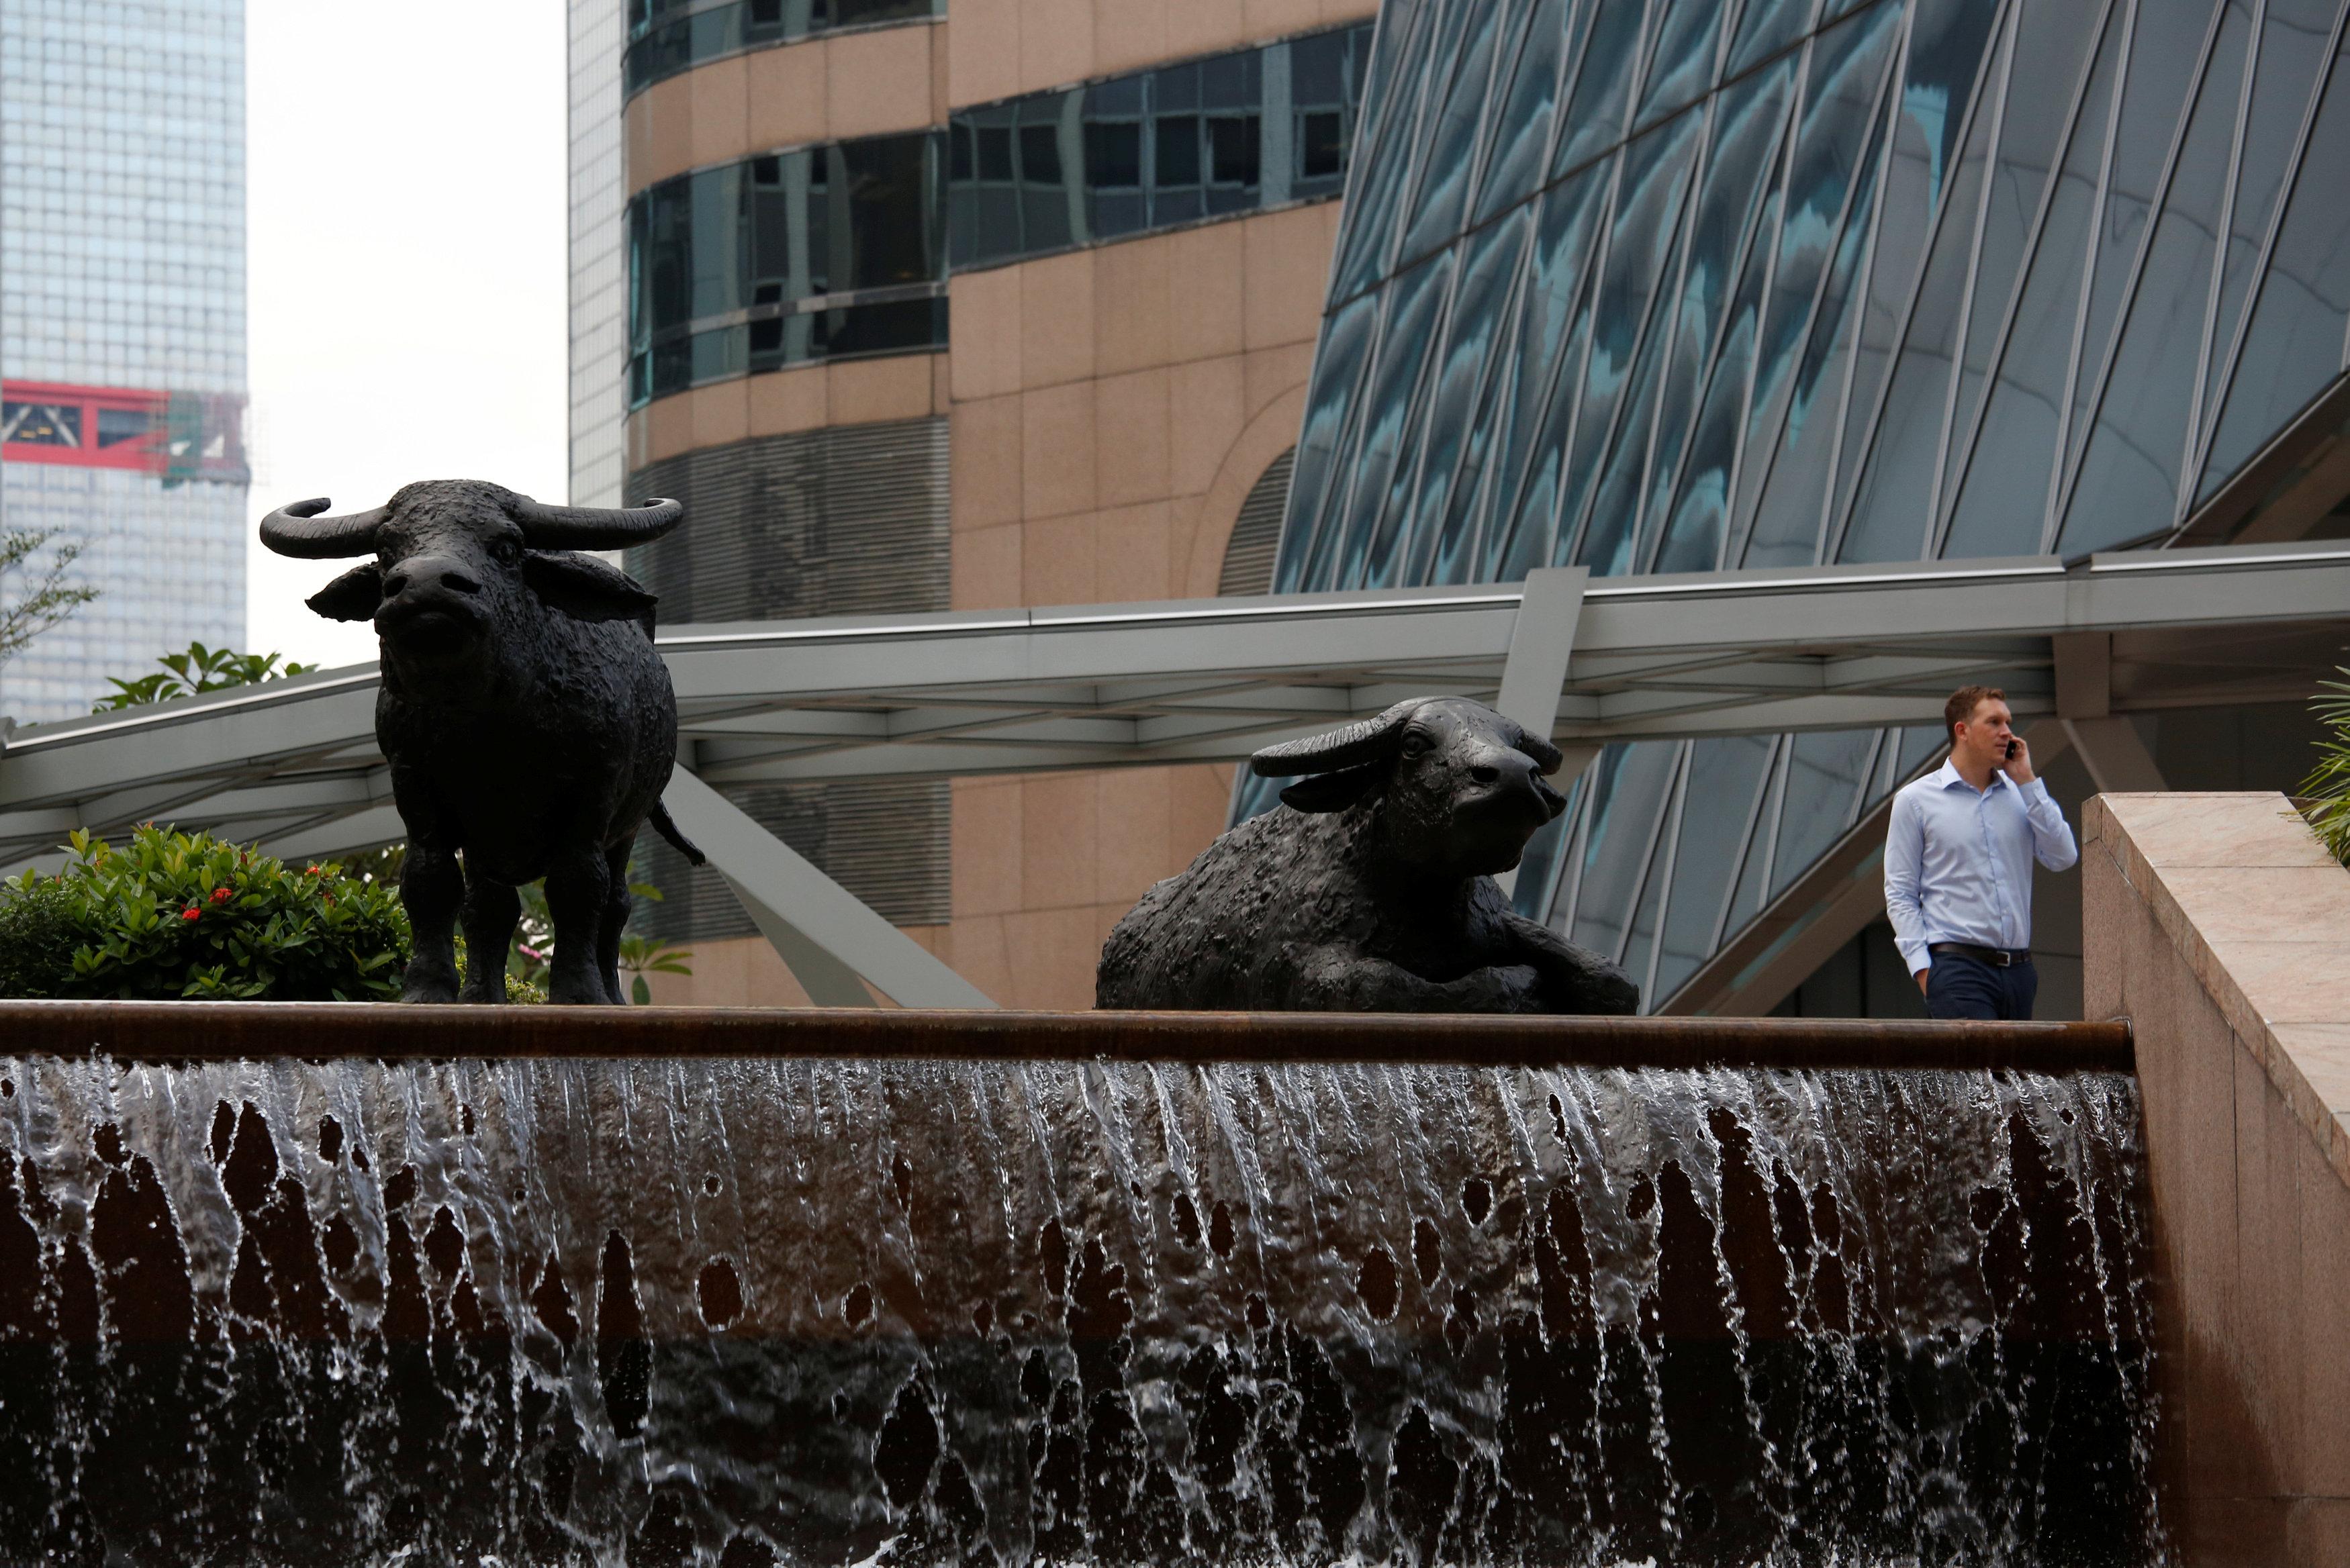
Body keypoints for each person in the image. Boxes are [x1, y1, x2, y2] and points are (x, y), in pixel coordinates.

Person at [1883, 685, 2078, 1020]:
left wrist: (2028, 780)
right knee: (1978, 1059)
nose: (2007, 732)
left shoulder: (2021, 794)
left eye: (2008, 723)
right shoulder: (1915, 801)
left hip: (2019, 971)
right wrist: (1924, 972)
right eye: (1994, 722)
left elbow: (2064, 856)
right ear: (1963, 731)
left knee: (2017, 1059)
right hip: (1957, 969)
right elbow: (1900, 892)